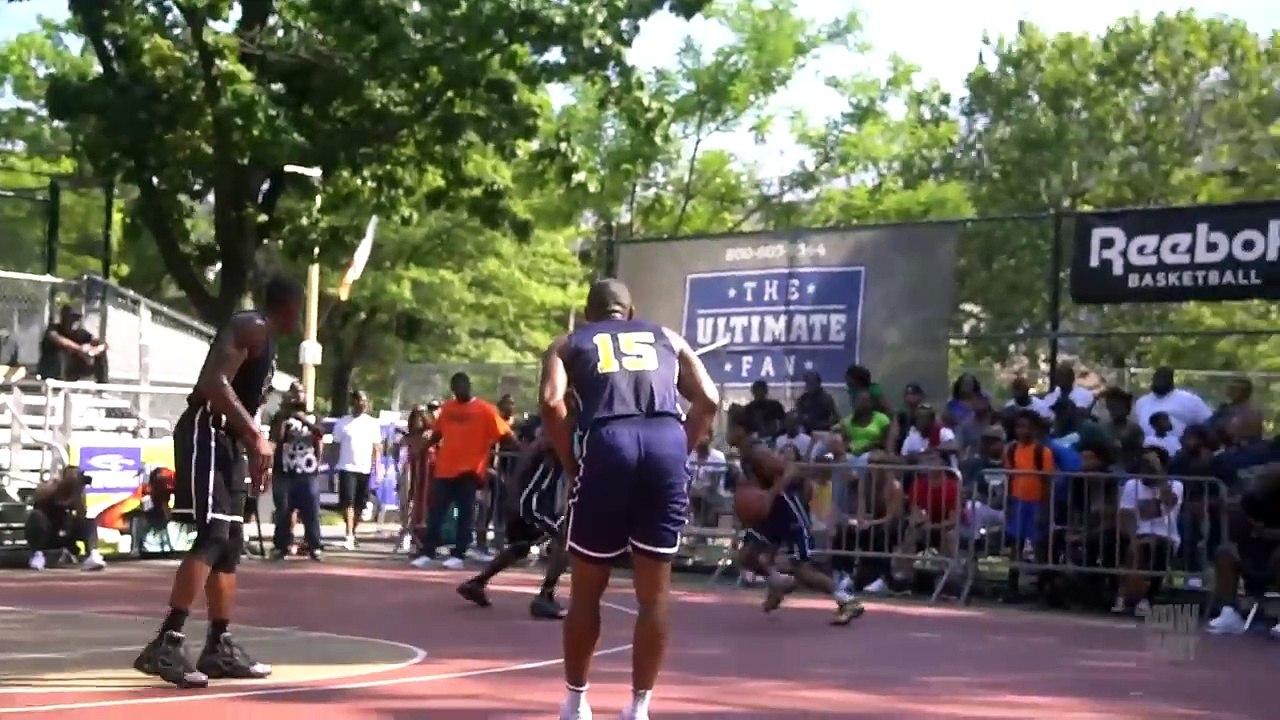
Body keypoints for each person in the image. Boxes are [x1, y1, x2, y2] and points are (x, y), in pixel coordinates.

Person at [538, 279, 718, 720]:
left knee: (586, 593)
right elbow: (709, 399)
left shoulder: (568, 343)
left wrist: (569, 461)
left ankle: (577, 701)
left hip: (609, 442)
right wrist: (681, 448)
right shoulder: (667, 337)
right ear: (631, 311)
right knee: (653, 597)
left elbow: (550, 401)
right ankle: (638, 707)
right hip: (664, 443)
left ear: (588, 313)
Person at [132, 275, 301, 689]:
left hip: (228, 439)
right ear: (292, 308)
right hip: (206, 431)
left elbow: (243, 400)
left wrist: (253, 444)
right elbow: (213, 383)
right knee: (213, 536)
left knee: (230, 544)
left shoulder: (268, 340)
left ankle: (218, 645)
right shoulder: (251, 325)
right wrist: (256, 437)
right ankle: (167, 642)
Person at [727, 404, 865, 622]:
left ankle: (846, 599)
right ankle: (778, 581)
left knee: (801, 569)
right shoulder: (745, 453)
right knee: (747, 556)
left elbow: (792, 470)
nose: (727, 433)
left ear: (741, 430)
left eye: (730, 427)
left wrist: (770, 494)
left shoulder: (757, 452)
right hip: (770, 513)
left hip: (787, 508)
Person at [456, 405, 572, 620]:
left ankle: (477, 583)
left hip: (528, 497)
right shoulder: (558, 426)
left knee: (521, 546)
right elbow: (550, 450)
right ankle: (545, 597)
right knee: (565, 537)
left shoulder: (553, 427)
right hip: (532, 498)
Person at [411, 373, 517, 570]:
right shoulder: (449, 408)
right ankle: (428, 552)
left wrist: (524, 452)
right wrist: (423, 449)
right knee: (436, 513)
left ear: (469, 386)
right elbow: (437, 433)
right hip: (445, 469)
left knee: (465, 514)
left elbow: (506, 433)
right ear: (453, 389)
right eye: (456, 388)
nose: (461, 391)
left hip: (470, 470)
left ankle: (459, 553)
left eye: (463, 387)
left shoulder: (485, 409)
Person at [269, 383, 325, 561]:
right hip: (285, 471)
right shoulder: (280, 417)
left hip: (307, 471)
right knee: (284, 510)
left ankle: (314, 545)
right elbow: (277, 438)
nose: (297, 395)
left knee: (311, 511)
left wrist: (302, 418)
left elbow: (319, 435)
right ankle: (282, 546)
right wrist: (286, 417)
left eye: (300, 392)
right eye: (294, 392)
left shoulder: (313, 417)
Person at [25, 465, 106, 571]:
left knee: (89, 523)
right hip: (49, 532)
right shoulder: (50, 486)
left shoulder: (78, 493)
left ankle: (92, 554)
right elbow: (39, 499)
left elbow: (81, 514)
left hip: (67, 531)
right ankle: (37, 555)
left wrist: (77, 493)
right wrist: (62, 487)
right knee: (36, 516)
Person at [333, 390, 383, 551]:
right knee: (348, 502)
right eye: (359, 401)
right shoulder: (343, 422)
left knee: (360, 505)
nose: (362, 404)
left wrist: (378, 468)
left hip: (364, 468)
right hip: (346, 467)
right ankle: (348, 535)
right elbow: (335, 444)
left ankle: (353, 533)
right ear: (353, 402)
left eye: (365, 402)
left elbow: (377, 447)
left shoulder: (372, 423)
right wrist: (333, 466)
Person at [36, 305, 108, 383]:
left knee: (101, 355)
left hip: (73, 370)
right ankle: (58, 385)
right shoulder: (53, 329)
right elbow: (58, 339)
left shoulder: (81, 333)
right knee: (60, 352)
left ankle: (102, 387)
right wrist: (80, 350)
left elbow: (102, 344)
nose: (75, 321)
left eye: (78, 318)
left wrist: (94, 351)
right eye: (72, 317)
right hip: (52, 371)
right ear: (64, 318)